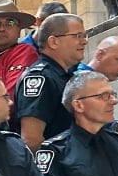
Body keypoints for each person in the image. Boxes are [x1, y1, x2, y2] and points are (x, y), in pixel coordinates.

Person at [16, 13, 88, 150]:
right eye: (77, 36)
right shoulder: (40, 78)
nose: (84, 41)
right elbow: (31, 139)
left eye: (84, 36)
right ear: (54, 42)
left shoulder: (64, 76)